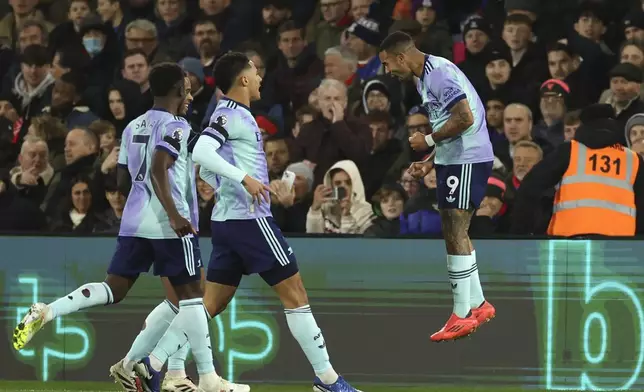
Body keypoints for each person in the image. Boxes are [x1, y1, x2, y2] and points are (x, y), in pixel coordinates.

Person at [12, 63, 241, 392]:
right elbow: (159, 168)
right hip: (168, 225)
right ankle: (207, 379)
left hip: (134, 223)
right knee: (194, 298)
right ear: (177, 90)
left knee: (113, 289)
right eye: (188, 90)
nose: (190, 95)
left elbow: (120, 181)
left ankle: (48, 311)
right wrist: (175, 214)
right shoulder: (177, 126)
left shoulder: (133, 126)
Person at [149, 52, 360, 392]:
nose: (260, 78)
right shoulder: (232, 115)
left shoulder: (231, 115)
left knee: (209, 305)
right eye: (256, 72)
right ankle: (328, 380)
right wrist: (245, 179)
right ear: (243, 79)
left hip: (228, 222)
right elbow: (202, 153)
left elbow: (205, 168)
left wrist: (242, 185)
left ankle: (154, 363)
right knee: (296, 295)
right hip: (251, 222)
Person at [378, 31, 496, 342]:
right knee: (453, 226)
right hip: (454, 157)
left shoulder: (439, 74)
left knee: (454, 227)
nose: (388, 72)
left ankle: (461, 313)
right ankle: (479, 305)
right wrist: (431, 159)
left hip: (468, 157)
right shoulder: (424, 79)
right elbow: (450, 122)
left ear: (402, 57)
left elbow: (465, 118)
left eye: (388, 65)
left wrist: (428, 140)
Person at [512, 104, 644, 236]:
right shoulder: (633, 160)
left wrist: (522, 233)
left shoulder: (568, 151)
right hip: (620, 247)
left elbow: (530, 186)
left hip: (569, 245)